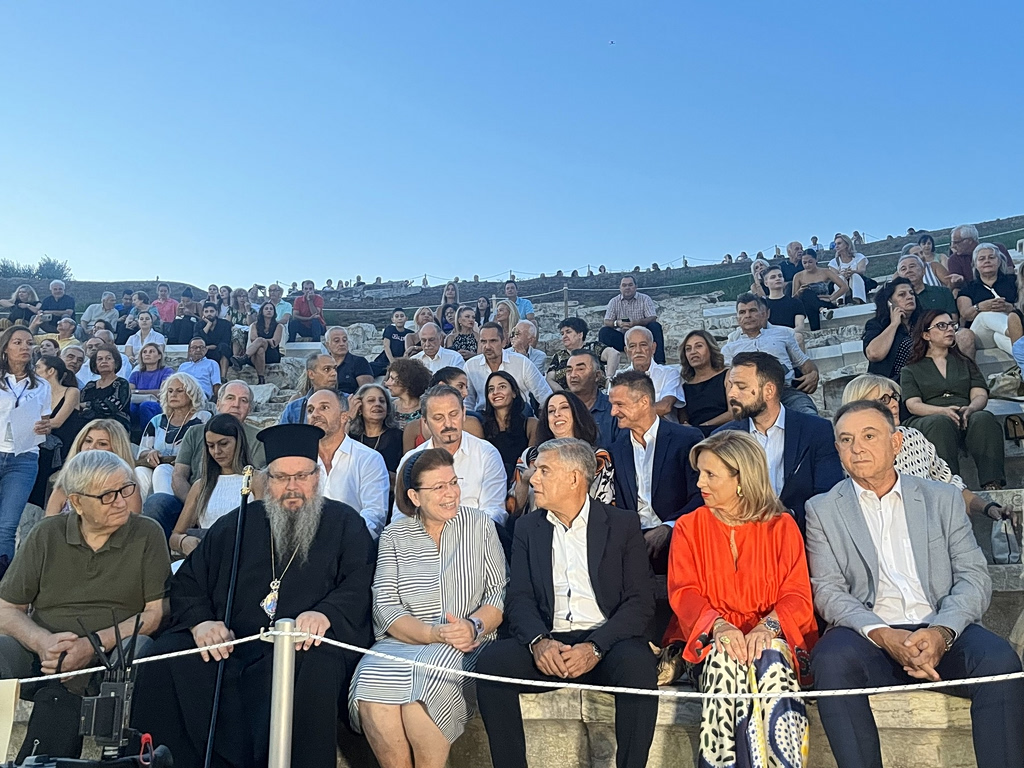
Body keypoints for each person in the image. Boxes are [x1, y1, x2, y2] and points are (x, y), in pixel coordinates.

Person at [132, 424, 376, 768]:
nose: (292, 487)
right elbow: (189, 583)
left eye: (302, 476)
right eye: (281, 477)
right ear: (266, 480)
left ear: (317, 477)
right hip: (232, 643)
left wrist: (327, 613)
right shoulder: (236, 524)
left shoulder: (344, 523)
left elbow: (361, 582)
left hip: (304, 646)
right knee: (164, 657)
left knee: (317, 667)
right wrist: (202, 624)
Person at [806, 400, 1024, 768]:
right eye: (846, 439)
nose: (857, 448)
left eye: (869, 436)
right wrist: (882, 634)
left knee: (1000, 660)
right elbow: (828, 590)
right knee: (830, 660)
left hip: (941, 627)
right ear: (837, 449)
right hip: (871, 636)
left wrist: (941, 632)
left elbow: (973, 577)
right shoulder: (823, 509)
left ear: (896, 443)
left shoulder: (942, 498)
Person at [475, 438, 659, 768]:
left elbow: (640, 602)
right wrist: (538, 642)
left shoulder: (622, 524)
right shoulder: (528, 528)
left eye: (544, 470)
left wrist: (595, 647)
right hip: (551, 643)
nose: (533, 479)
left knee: (639, 666)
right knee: (491, 663)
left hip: (607, 644)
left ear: (574, 478)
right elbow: (519, 598)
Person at [0, 451, 168, 758]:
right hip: (44, 653)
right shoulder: (47, 534)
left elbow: (154, 613)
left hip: (111, 654)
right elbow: (7, 608)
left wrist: (91, 646)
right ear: (77, 502)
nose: (121, 502)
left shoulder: (147, 534)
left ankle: (112, 755)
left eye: (126, 489)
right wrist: (42, 642)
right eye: (107, 496)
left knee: (138, 648)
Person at [666, 430, 817, 767]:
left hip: (773, 636)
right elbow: (684, 592)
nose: (700, 483)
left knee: (771, 662)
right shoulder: (688, 527)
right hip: (710, 638)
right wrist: (720, 627)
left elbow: (796, 594)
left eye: (711, 474)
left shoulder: (782, 526)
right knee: (724, 661)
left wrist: (766, 628)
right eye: (699, 473)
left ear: (741, 479)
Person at [350, 448, 507, 766]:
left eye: (453, 482)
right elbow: (385, 606)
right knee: (370, 686)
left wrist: (472, 626)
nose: (451, 493)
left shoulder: (480, 525)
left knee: (420, 699)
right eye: (439, 487)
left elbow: (497, 594)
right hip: (403, 641)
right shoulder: (394, 536)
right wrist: (431, 633)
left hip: (464, 641)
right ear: (415, 496)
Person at [840, 374, 1007, 523]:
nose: (894, 404)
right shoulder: (849, 452)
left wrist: (988, 508)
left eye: (894, 397)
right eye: (884, 399)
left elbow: (949, 485)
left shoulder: (913, 437)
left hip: (930, 530)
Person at [714, 351, 843, 531]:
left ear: (769, 390)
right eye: (730, 386)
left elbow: (828, 494)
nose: (731, 394)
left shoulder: (816, 431)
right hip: (741, 538)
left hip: (804, 534)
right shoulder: (721, 438)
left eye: (741, 386)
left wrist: (789, 515)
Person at [142, 381, 266, 535]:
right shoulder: (195, 432)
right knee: (157, 502)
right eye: (230, 398)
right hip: (193, 498)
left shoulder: (259, 437)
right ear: (218, 404)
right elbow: (179, 475)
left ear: (250, 408)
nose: (236, 405)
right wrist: (195, 507)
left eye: (243, 400)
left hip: (239, 506)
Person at [608, 371, 702, 572]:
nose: (613, 412)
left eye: (620, 404)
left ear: (644, 402)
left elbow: (701, 495)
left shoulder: (686, 439)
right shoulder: (615, 449)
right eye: (612, 405)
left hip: (680, 538)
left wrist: (669, 526)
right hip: (632, 546)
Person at [901, 310, 1004, 489]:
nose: (949, 329)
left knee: (983, 418)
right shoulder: (911, 369)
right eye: (941, 326)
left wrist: (971, 408)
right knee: (939, 423)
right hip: (929, 417)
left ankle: (992, 483)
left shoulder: (965, 362)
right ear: (926, 335)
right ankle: (950, 486)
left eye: (951, 325)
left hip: (964, 412)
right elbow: (913, 404)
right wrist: (942, 411)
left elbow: (980, 394)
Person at [396, 385, 507, 524]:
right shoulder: (410, 460)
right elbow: (400, 516)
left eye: (454, 414)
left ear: (464, 413)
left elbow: (495, 512)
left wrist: (459, 531)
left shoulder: (486, 454)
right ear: (425, 422)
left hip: (473, 534)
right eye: (438, 418)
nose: (448, 424)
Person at [507, 391, 615, 517]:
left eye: (564, 407)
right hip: (535, 527)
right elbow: (512, 510)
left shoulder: (598, 457)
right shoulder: (529, 456)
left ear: (577, 414)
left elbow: (604, 505)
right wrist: (524, 482)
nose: (557, 414)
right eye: (551, 411)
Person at [307, 389, 389, 538]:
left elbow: (374, 516)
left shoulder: (368, 459)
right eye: (310, 410)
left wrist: (344, 541)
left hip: (352, 544)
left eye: (324, 407)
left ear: (344, 417)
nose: (315, 414)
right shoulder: (301, 461)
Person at [721, 293, 820, 414]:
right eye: (742, 312)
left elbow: (803, 362)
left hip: (787, 392)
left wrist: (813, 374)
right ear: (737, 318)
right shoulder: (729, 349)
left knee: (810, 415)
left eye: (752, 310)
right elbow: (726, 381)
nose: (747, 315)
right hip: (751, 397)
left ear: (762, 314)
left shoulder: (783, 335)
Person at [168, 414, 250, 556]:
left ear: (239, 442)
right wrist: (183, 541)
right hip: (207, 555)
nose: (217, 451)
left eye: (223, 444)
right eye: (211, 446)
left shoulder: (255, 479)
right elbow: (175, 536)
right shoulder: (201, 486)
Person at [135, 373, 212, 500]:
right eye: (170, 391)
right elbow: (142, 452)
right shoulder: (157, 420)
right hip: (157, 465)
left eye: (179, 391)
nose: (173, 395)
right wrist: (151, 453)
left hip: (187, 471)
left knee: (162, 469)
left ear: (192, 394)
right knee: (140, 472)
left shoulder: (203, 418)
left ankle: (166, 507)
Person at [44, 419, 144, 515]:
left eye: (102, 444)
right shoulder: (65, 484)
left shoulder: (128, 489)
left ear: (117, 450)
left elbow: (133, 524)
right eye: (88, 441)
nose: (91, 447)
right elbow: (49, 523)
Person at [29, 355, 83, 508]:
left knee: (41, 457)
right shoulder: (37, 394)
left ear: (51, 371)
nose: (34, 371)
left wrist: (30, 426)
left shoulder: (71, 392)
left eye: (38, 367)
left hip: (62, 445)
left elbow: (58, 421)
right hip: (42, 441)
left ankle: (39, 505)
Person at [465, 323, 552, 412]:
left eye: (493, 341)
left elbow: (544, 394)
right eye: (483, 341)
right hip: (484, 414)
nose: (487, 346)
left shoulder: (522, 362)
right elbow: (467, 402)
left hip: (518, 413)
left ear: (504, 342)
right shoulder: (470, 366)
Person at [957, 242, 1017, 354]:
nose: (987, 261)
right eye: (982, 259)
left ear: (999, 261)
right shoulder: (968, 288)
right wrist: (980, 307)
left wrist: (1011, 308)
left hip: (1002, 333)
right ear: (975, 264)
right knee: (985, 315)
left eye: (991, 257)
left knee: (999, 337)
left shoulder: (1013, 281)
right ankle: (1015, 331)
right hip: (981, 335)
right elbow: (965, 315)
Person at [482, 371, 538, 485]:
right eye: (491, 389)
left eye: (502, 387)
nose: (495, 392)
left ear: (514, 393)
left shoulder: (531, 424)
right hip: (489, 483)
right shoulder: (480, 425)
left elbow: (530, 463)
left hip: (521, 483)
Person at [598, 276, 666, 364]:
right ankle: (603, 365)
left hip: (643, 337)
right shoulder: (614, 301)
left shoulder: (645, 299)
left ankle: (660, 362)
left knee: (655, 326)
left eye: (630, 285)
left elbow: (652, 317)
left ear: (635, 287)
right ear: (620, 288)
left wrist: (636, 323)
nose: (627, 288)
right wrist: (617, 323)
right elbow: (607, 321)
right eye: (624, 285)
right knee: (604, 332)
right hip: (622, 338)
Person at [862, 277, 918, 381]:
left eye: (911, 293)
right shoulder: (876, 325)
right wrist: (894, 324)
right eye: (902, 294)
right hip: (889, 384)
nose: (910, 297)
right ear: (890, 302)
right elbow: (874, 354)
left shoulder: (922, 322)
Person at [623, 326, 684, 418]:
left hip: (663, 426)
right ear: (626, 351)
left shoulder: (669, 374)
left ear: (653, 348)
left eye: (643, 345)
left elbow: (665, 407)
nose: (638, 350)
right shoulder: (618, 378)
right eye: (632, 346)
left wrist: (631, 414)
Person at [564, 349, 620, 450]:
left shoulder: (614, 409)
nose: (573, 375)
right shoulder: (560, 410)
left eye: (580, 369)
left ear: (597, 375)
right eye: (569, 370)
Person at [679, 330, 730, 436]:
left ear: (711, 349)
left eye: (699, 346)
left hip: (726, 433)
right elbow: (684, 421)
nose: (693, 352)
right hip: (697, 437)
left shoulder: (727, 375)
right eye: (688, 349)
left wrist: (704, 426)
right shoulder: (684, 387)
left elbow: (733, 413)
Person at [347, 382, 404, 475]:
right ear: (359, 408)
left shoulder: (398, 436)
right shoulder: (351, 437)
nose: (377, 404)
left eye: (382, 401)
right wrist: (349, 418)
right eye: (371, 400)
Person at [546, 316, 618, 389]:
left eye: (568, 332)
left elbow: (614, 354)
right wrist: (563, 393)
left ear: (580, 334)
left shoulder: (593, 347)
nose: (564, 336)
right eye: (562, 334)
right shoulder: (559, 356)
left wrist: (609, 378)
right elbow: (550, 379)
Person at [79, 343, 130, 432]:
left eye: (108, 358)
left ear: (116, 363)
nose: (104, 361)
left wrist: (86, 405)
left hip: (114, 428)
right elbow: (79, 407)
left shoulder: (121, 383)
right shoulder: (90, 386)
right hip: (88, 426)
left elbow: (109, 407)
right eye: (100, 359)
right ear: (95, 365)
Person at [279, 353, 339, 424]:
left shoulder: (348, 402)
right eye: (327, 369)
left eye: (335, 369)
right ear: (311, 374)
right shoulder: (294, 408)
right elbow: (283, 431)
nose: (334, 373)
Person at [793, 248, 850, 321]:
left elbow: (844, 287)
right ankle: (822, 310)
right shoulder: (798, 276)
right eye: (804, 263)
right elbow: (793, 298)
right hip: (807, 305)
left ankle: (822, 310)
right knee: (806, 293)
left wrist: (831, 298)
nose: (807, 265)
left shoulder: (826, 272)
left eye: (810, 262)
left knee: (811, 305)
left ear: (816, 260)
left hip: (824, 301)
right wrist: (799, 292)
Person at [895, 252, 958, 316]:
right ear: (899, 276)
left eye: (912, 266)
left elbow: (953, 317)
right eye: (903, 269)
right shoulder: (897, 301)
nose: (908, 271)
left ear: (923, 271)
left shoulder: (943, 292)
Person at [383, 357, 433, 428]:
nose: (387, 384)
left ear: (406, 382)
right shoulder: (388, 408)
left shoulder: (428, 408)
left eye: (392, 379)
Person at [324, 326, 373, 394]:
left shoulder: (359, 362)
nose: (342, 344)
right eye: (337, 341)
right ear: (327, 345)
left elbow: (367, 391)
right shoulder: (322, 364)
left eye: (344, 340)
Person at [829, 233, 873, 304]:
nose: (836, 246)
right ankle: (840, 300)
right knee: (840, 278)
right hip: (843, 283)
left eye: (839, 243)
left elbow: (862, 270)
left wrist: (852, 272)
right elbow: (833, 276)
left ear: (847, 244)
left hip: (857, 281)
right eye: (835, 244)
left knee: (855, 275)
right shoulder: (833, 262)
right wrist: (842, 274)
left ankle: (859, 299)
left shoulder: (859, 257)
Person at [197, 301, 234, 381]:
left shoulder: (225, 324)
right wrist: (208, 325)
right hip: (205, 352)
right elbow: (198, 340)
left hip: (220, 350)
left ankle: (223, 378)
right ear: (203, 313)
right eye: (206, 312)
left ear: (216, 312)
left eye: (211, 311)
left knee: (224, 347)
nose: (209, 314)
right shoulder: (198, 325)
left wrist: (209, 346)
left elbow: (226, 340)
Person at [371, 308, 412, 376]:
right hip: (385, 361)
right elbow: (386, 346)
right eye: (397, 316)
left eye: (402, 316)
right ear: (393, 319)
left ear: (406, 318)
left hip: (401, 362)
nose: (399, 318)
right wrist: (392, 362)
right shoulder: (390, 329)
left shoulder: (410, 333)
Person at [762, 265, 806, 331]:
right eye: (773, 277)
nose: (778, 278)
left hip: (791, 335)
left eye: (780, 276)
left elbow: (800, 327)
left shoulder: (796, 302)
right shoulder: (762, 305)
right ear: (766, 283)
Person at [178, 336, 222, 401]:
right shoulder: (183, 366)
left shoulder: (212, 364)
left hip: (201, 396)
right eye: (195, 347)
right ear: (189, 350)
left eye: (201, 347)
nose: (198, 350)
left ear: (206, 350)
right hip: (183, 395)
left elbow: (216, 385)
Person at [944, 223, 980, 287]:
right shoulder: (954, 260)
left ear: (969, 241)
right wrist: (960, 281)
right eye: (952, 243)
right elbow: (956, 288)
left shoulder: (993, 251)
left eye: (956, 242)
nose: (952, 246)